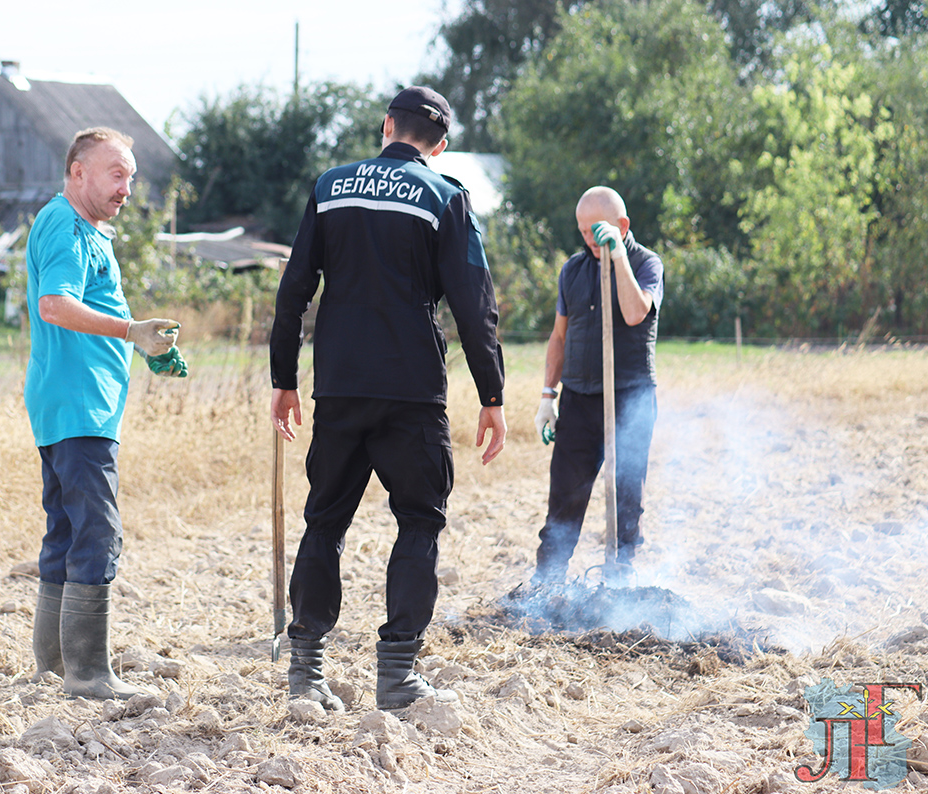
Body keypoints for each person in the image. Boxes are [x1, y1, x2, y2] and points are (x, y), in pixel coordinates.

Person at [270, 86, 506, 711]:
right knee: (420, 522)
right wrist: (492, 394)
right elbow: (473, 304)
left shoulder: (329, 186)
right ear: (441, 145)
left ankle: (306, 672)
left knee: (324, 522)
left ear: (386, 127)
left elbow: (293, 290)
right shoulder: (445, 196)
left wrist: (284, 380)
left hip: (340, 385)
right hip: (411, 388)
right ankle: (397, 674)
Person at [24, 126, 187, 700]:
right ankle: (90, 674)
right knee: (98, 533)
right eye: (115, 173)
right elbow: (55, 305)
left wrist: (142, 346)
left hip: (76, 403)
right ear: (78, 173)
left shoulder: (89, 230)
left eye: (131, 177)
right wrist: (129, 331)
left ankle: (54, 664)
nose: (126, 186)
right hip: (77, 405)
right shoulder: (65, 225)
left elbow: (93, 307)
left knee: (68, 531)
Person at [532, 186, 664, 584]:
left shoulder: (646, 264)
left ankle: (620, 577)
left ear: (622, 225)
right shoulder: (572, 270)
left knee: (626, 496)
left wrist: (618, 255)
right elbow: (559, 337)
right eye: (582, 231)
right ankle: (547, 581)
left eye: (596, 230)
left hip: (630, 398)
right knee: (565, 497)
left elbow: (635, 312)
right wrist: (547, 397)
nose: (589, 239)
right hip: (578, 398)